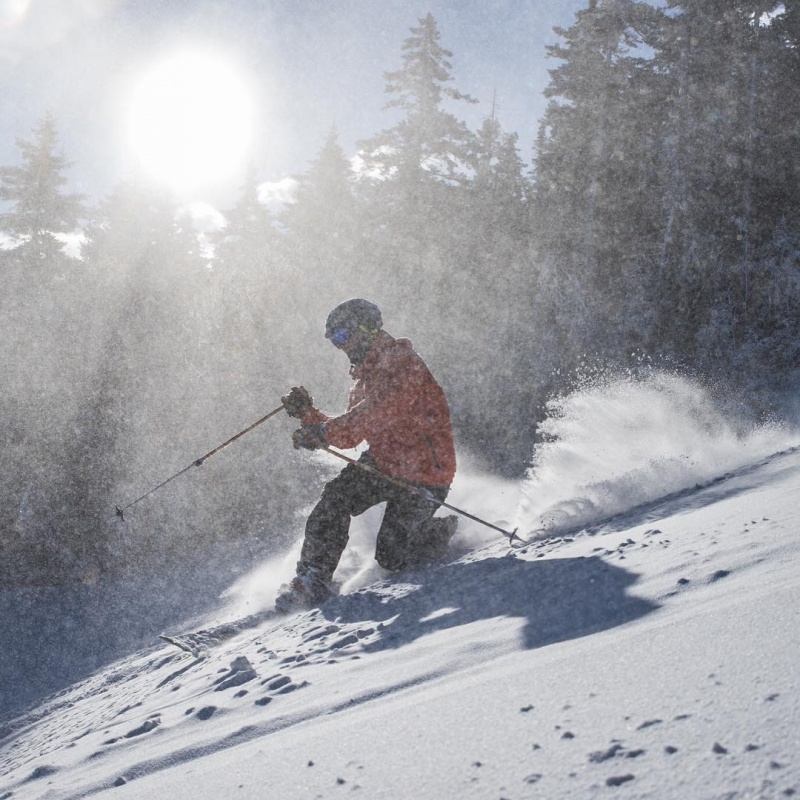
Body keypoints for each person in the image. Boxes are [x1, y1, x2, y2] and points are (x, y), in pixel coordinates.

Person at [276, 298, 458, 612]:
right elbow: (349, 434)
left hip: (426, 470)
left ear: (367, 328)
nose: (341, 346)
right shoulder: (361, 382)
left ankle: (434, 532)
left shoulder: (400, 360)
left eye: (344, 336)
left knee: (392, 556)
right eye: (335, 341)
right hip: (385, 463)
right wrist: (308, 416)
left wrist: (321, 432)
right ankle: (312, 578)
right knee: (335, 499)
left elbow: (379, 410)